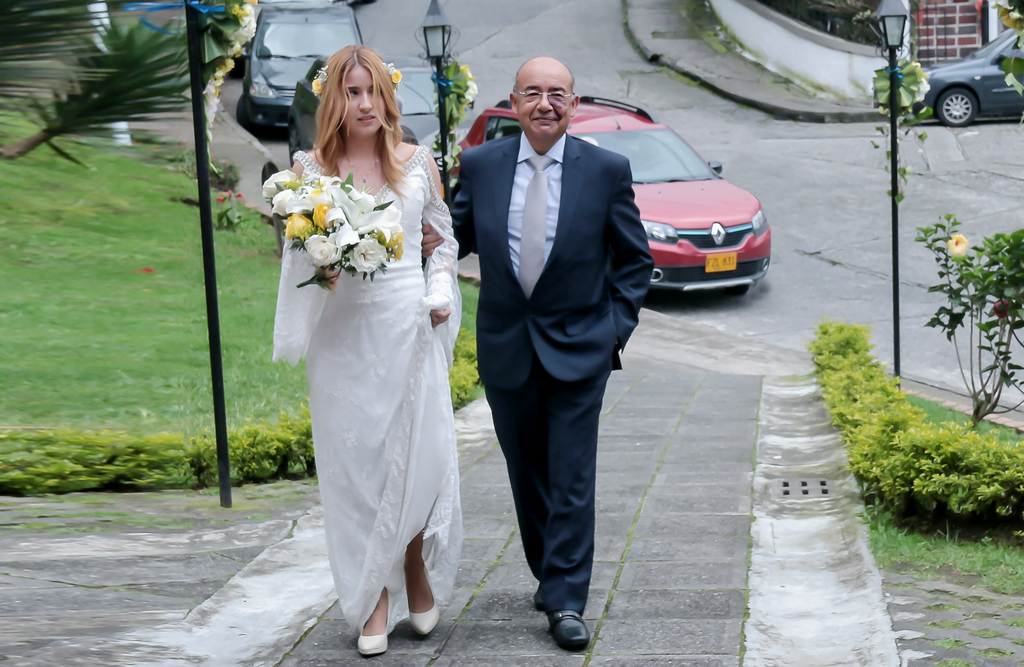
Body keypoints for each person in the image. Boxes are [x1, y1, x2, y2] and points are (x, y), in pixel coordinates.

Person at [448, 56, 654, 651]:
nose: (546, 104)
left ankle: (565, 598)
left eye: (557, 94)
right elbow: (450, 240)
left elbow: (635, 260)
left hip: (581, 348)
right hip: (507, 347)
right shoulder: (482, 165)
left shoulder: (606, 170)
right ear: (513, 103)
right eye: (533, 93)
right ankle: (549, 570)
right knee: (527, 473)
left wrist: (614, 330)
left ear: (574, 103)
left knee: (570, 475)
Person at [272, 45, 462, 658]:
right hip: (342, 337)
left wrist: (439, 291)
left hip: (406, 326)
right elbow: (297, 260)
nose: (364, 103)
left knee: (414, 456)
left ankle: (414, 566)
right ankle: (373, 596)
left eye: (373, 90)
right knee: (356, 470)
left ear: (389, 95)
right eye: (352, 92)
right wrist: (319, 254)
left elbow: (441, 242)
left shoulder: (417, 162)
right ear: (334, 99)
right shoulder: (309, 171)